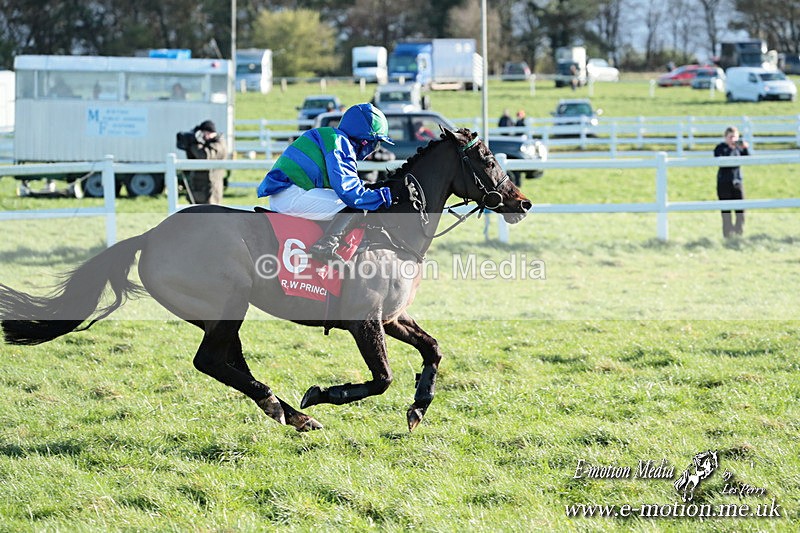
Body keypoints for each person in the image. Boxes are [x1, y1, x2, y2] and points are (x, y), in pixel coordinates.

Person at [257, 103, 402, 261]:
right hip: (291, 196)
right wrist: (380, 197)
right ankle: (325, 246)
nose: (376, 148)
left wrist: (371, 192)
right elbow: (350, 193)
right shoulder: (340, 143)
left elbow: (348, 183)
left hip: (288, 194)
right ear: (365, 140)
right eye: (376, 143)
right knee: (356, 206)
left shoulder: (333, 137)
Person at [714, 126, 749, 238]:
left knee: (741, 210)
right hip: (724, 182)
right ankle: (727, 235)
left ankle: (738, 233)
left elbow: (749, 158)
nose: (733, 139)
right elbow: (720, 160)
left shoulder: (739, 148)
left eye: (735, 137)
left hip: (737, 181)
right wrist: (730, 148)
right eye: (730, 137)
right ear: (725, 137)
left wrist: (745, 148)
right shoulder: (720, 148)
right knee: (726, 212)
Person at [186, 120, 228, 204]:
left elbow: (205, 156)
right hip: (199, 188)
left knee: (211, 214)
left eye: (205, 133)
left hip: (211, 190)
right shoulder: (207, 143)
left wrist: (195, 144)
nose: (204, 136)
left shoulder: (219, 144)